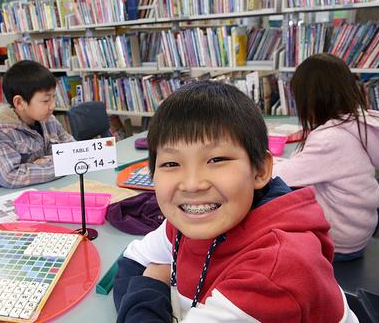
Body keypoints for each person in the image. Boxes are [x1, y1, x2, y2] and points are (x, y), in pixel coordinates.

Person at [113, 81, 357, 322]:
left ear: (260, 170)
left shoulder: (274, 271)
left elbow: (137, 275)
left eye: (216, 159)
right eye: (171, 163)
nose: (192, 184)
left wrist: (151, 283)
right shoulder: (184, 224)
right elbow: (131, 261)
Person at [273, 53, 379, 261]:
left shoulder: (330, 138)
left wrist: (260, 160)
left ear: (312, 98)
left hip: (339, 241)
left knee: (270, 211)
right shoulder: (353, 124)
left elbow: (284, 175)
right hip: (357, 227)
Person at [0, 60, 74, 190]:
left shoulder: (49, 120)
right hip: (11, 199)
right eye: (46, 100)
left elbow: (74, 151)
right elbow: (11, 177)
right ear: (19, 103)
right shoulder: (0, 133)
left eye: (54, 97)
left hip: (48, 189)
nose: (53, 105)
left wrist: (44, 163)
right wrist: (60, 165)